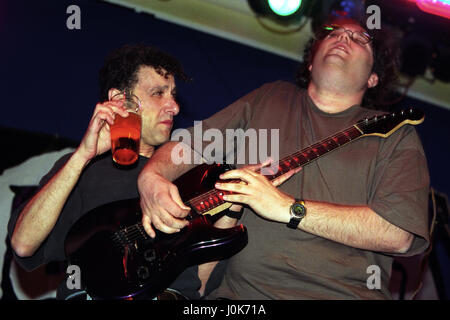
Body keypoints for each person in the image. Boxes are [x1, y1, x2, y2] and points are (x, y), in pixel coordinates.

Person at [136, 18, 431, 299]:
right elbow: (191, 145)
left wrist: (287, 208)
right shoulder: (270, 97)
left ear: (373, 77)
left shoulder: (394, 134)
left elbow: (399, 233)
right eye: (333, 32)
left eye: (360, 39)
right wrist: (151, 178)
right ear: (312, 62)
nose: (343, 37)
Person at [8, 44, 202, 300]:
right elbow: (23, 244)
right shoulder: (84, 169)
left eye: (173, 95)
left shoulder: (189, 172)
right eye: (158, 93)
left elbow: (206, 276)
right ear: (121, 101)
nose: (174, 107)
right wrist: (82, 157)